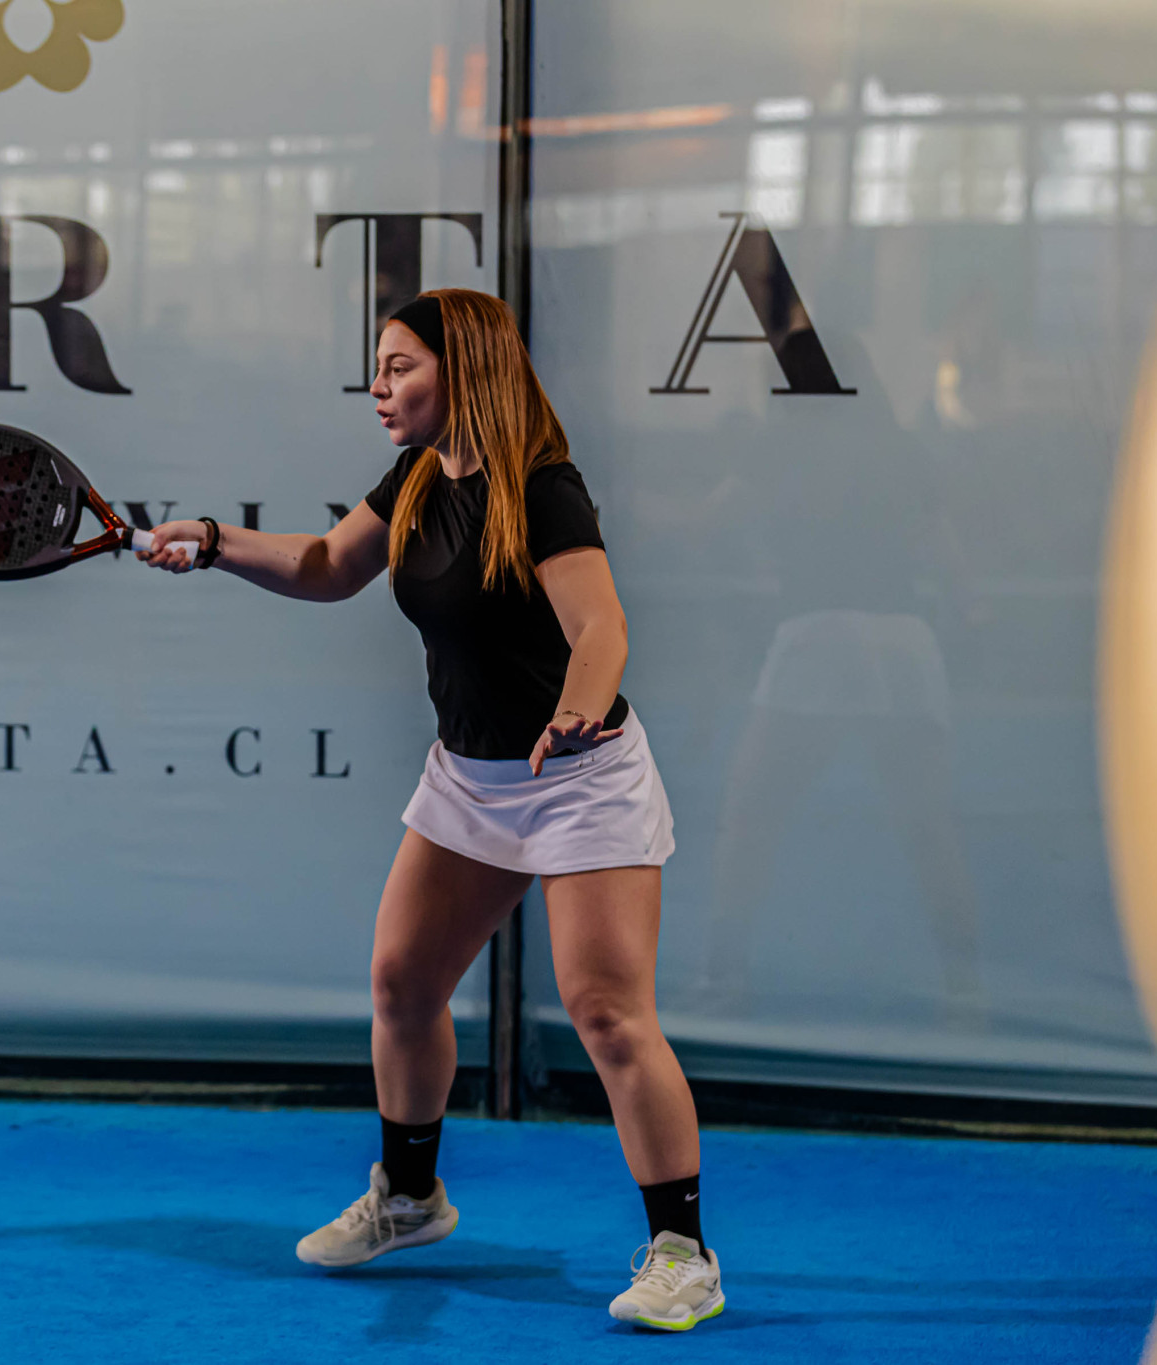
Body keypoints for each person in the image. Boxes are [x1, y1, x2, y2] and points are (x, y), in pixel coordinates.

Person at [138, 288, 720, 1332]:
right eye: (378, 365)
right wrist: (217, 541)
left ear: (467, 372)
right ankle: (409, 1199)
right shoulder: (415, 476)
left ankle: (684, 1255)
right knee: (403, 984)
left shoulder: (540, 486)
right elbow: (326, 567)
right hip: (469, 780)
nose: (378, 386)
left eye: (399, 366)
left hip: (580, 776)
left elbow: (601, 628)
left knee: (606, 1012)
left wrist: (577, 713)